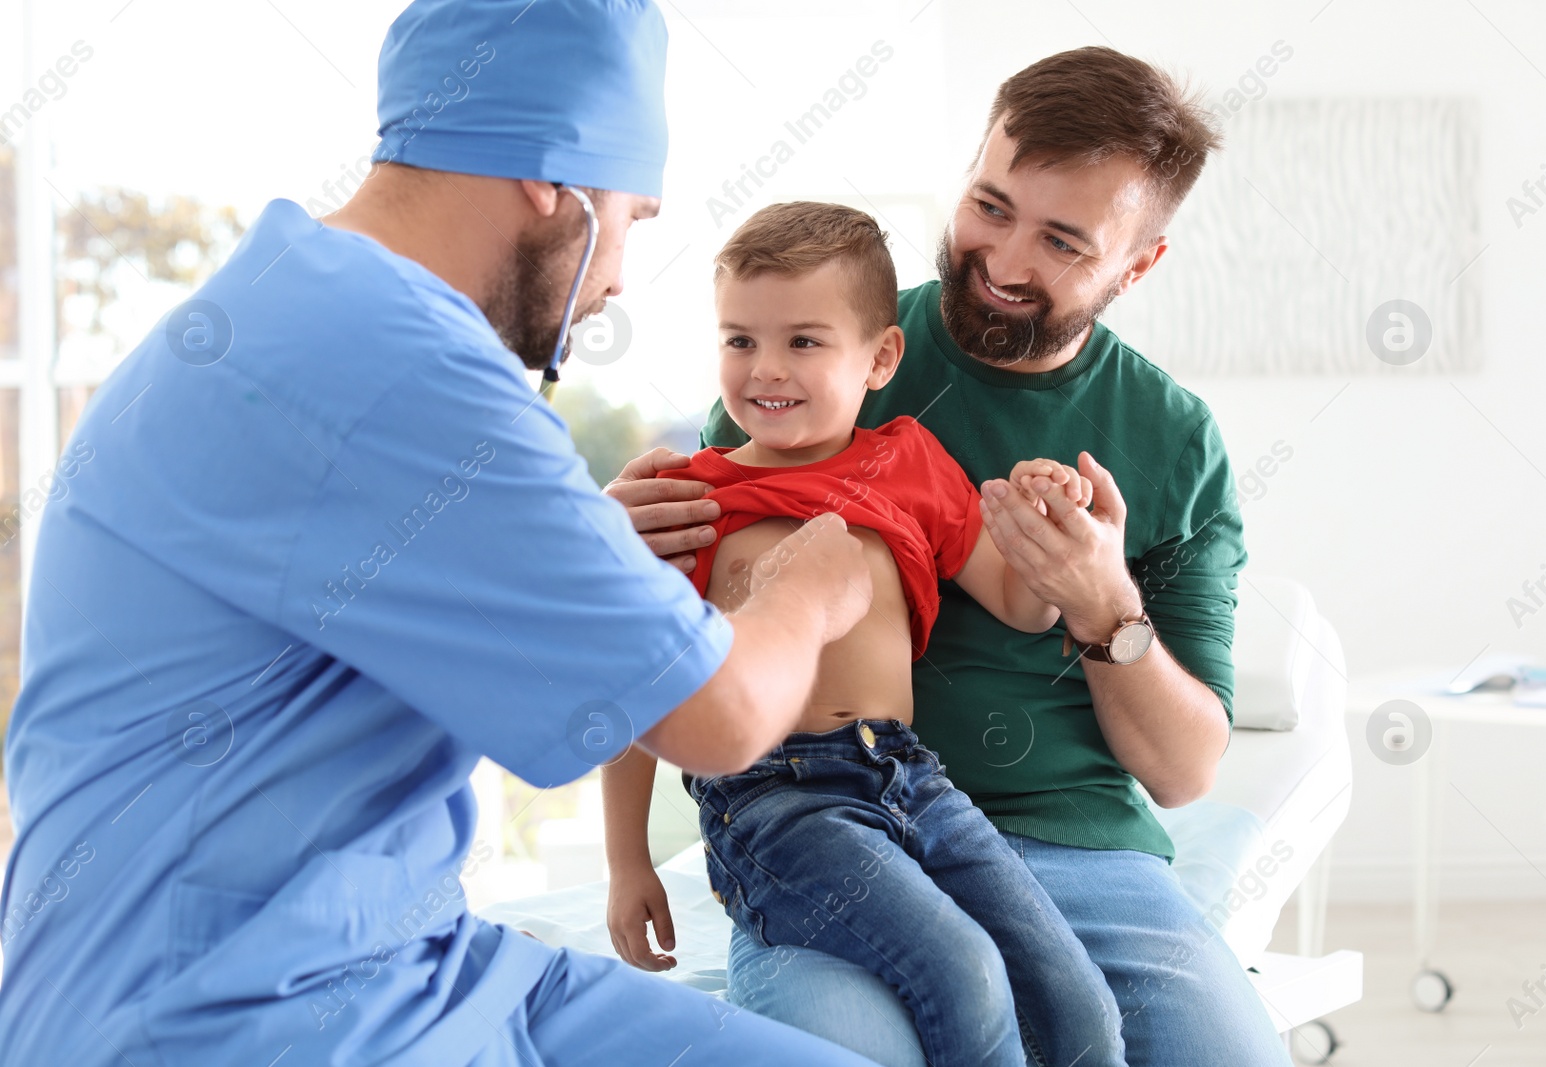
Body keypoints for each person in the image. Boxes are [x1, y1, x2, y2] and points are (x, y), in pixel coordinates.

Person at [0, 2, 881, 1065]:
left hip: (411, 951)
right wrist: (808, 585)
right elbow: (723, 714)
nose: (612, 283)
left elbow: (336, 569)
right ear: (553, 180)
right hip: (229, 1012)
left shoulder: (296, 298)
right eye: (634, 219)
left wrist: (571, 548)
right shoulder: (404, 363)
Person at [605, 46, 1293, 1067]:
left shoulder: (1171, 438)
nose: (1006, 263)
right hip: (818, 818)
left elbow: (1185, 768)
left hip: (1068, 842)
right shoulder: (816, 347)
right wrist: (614, 539)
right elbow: (676, 643)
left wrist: (1100, 598)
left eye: (1062, 241)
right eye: (989, 206)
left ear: (1136, 263)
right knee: (850, 1048)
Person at [602, 202, 1124, 1067]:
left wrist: (1045, 520)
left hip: (914, 781)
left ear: (880, 357)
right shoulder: (686, 497)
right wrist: (629, 863)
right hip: (775, 802)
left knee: (1073, 994)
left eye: (804, 341)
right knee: (965, 974)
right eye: (740, 340)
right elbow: (638, 687)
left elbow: (1022, 603)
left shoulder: (908, 460)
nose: (765, 368)